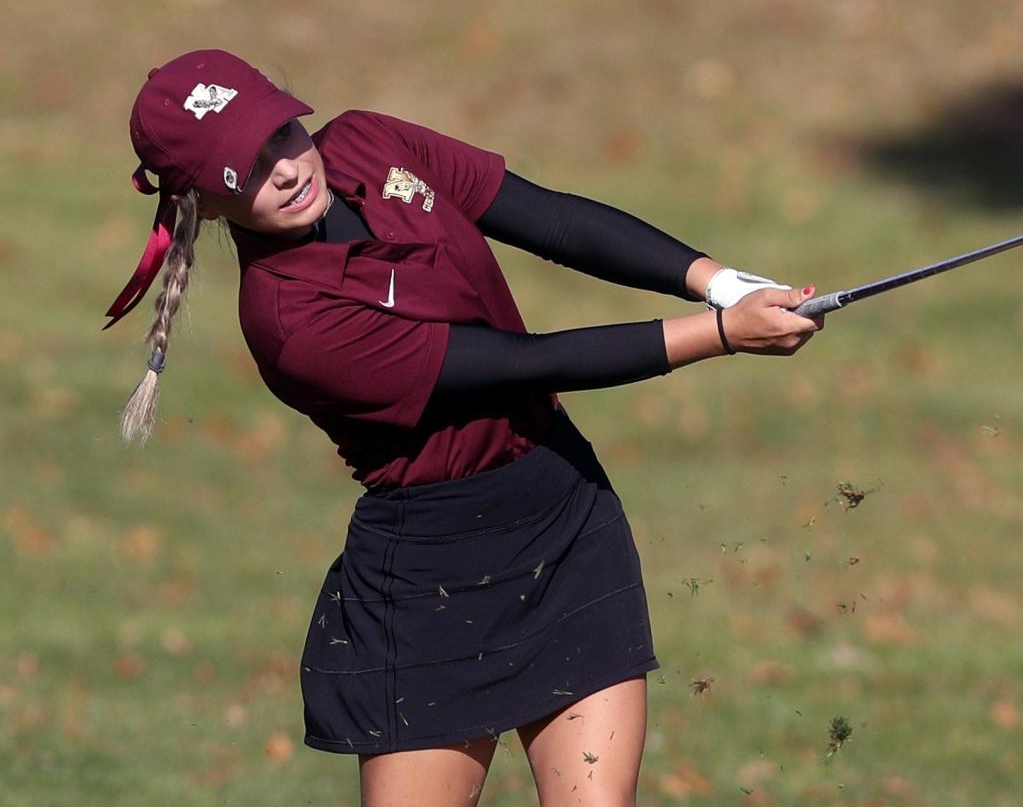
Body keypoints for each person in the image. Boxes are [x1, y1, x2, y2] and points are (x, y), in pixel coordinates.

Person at [109, 48, 822, 806]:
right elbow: (521, 364)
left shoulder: (366, 143)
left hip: (563, 516)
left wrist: (722, 284)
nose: (285, 168)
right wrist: (721, 335)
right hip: (430, 585)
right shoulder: (288, 321)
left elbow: (550, 218)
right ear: (202, 204)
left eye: (280, 135)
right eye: (244, 170)